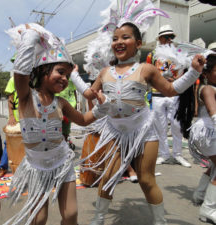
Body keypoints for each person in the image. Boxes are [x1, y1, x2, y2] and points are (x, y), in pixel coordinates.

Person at [69, 0, 205, 224]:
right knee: (109, 177)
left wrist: (192, 72)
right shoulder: (105, 71)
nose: (119, 42)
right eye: (115, 38)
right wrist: (75, 75)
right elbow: (89, 94)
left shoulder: (146, 69)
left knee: (146, 179)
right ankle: (99, 219)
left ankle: (159, 222)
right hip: (114, 131)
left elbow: (171, 90)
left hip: (143, 130)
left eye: (125, 37)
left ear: (138, 43)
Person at [4, 23, 105, 225]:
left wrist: (104, 108)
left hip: (62, 163)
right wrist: (30, 39)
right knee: (39, 219)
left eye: (68, 75)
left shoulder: (62, 103)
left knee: (70, 215)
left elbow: (84, 120)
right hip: (37, 167)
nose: (65, 79)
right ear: (42, 70)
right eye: (60, 72)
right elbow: (20, 74)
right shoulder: (26, 97)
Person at [176, 53, 216, 223]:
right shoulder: (207, 88)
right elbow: (213, 112)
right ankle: (208, 208)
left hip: (210, 131)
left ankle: (200, 195)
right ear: (206, 74)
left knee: (215, 165)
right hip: (208, 132)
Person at [147, 24, 191, 167]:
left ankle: (177, 154)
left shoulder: (179, 53)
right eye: (167, 37)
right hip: (157, 94)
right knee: (160, 126)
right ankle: (164, 154)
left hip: (174, 93)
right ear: (160, 38)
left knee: (177, 125)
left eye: (171, 37)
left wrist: (176, 80)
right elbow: (147, 73)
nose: (169, 39)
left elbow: (185, 72)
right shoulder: (152, 55)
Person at [0, 72, 19, 177]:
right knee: (8, 143)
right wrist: (11, 116)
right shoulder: (13, 79)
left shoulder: (36, 79)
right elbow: (10, 100)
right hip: (16, 118)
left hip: (31, 117)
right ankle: (3, 166)